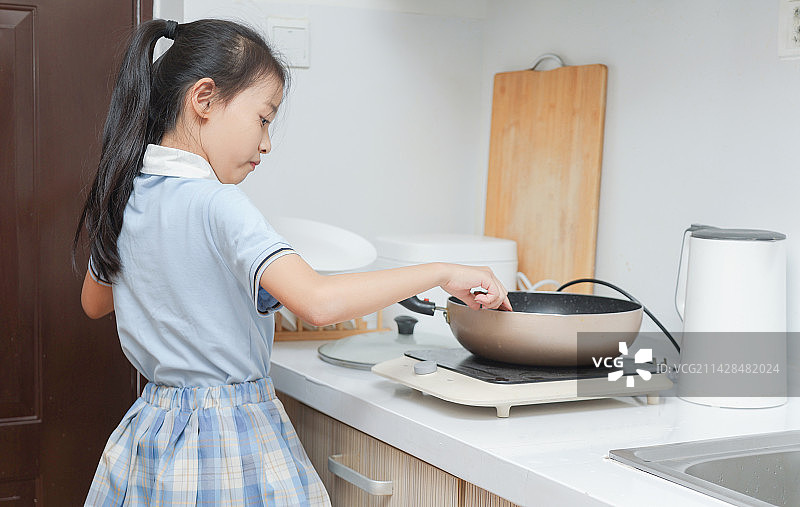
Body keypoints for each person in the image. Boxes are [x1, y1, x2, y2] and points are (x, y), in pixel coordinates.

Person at [74, 18, 511, 507]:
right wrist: (442, 271)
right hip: (228, 441)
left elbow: (95, 303)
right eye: (263, 118)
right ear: (204, 99)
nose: (266, 143)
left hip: (153, 436)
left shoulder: (124, 198)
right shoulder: (219, 203)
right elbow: (319, 304)